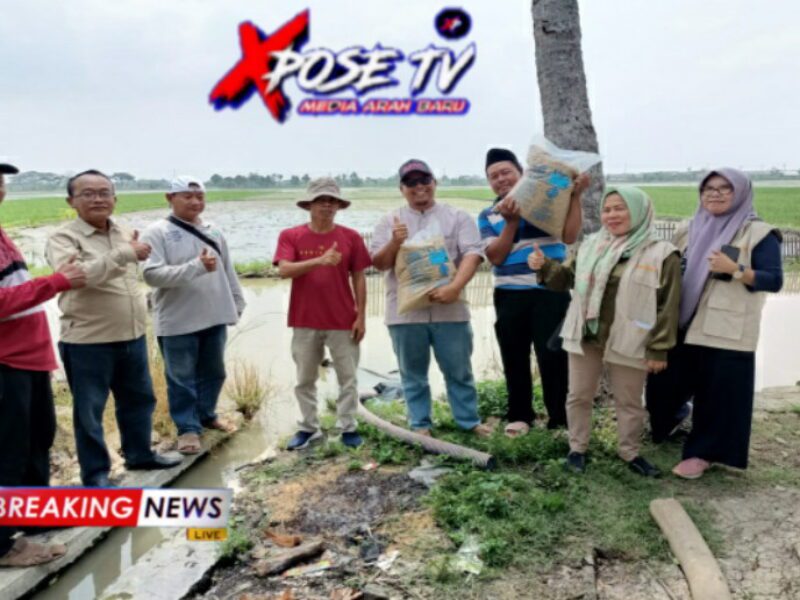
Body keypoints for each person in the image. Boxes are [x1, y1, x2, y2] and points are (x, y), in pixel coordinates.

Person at [530, 186, 681, 476]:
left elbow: (668, 305)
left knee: (629, 400)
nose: (612, 215)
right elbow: (566, 280)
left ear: (638, 210)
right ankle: (578, 448)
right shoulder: (591, 246)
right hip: (586, 333)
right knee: (578, 395)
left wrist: (659, 347)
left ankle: (629, 451)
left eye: (620, 208)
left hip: (630, 337)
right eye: (607, 209)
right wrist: (545, 266)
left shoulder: (662, 253)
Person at [46, 169, 181, 487]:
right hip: (87, 341)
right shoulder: (63, 239)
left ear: (114, 199)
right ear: (71, 201)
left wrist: (127, 251)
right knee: (89, 412)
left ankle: (139, 454)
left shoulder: (122, 231)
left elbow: (126, 272)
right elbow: (77, 276)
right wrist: (124, 253)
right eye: (88, 193)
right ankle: (96, 476)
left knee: (139, 400)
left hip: (131, 335)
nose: (98, 199)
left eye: (104, 192)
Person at [645, 169, 783, 479]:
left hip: (725, 328)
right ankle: (676, 417)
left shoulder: (759, 233)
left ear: (741, 193)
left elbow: (774, 280)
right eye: (708, 188)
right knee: (661, 386)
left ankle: (702, 453)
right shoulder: (688, 229)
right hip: (681, 322)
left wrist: (737, 270)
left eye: (725, 188)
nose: (715, 194)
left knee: (717, 395)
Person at [0, 162, 87, 567]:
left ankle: (33, 519)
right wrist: (55, 282)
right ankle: (3, 546)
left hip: (30, 359)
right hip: (5, 363)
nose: (0, 187)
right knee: (8, 452)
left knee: (38, 440)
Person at [370, 159, 491, 437]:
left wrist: (454, 287)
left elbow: (473, 254)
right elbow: (379, 263)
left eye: (424, 180)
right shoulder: (389, 222)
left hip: (451, 311)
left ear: (434, 183)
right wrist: (395, 242)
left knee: (459, 370)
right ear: (402, 189)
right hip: (405, 314)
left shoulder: (457, 217)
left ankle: (468, 421)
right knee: (412, 374)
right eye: (411, 183)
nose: (419, 187)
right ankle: (420, 424)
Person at [479, 148, 588, 436]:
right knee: (513, 354)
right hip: (509, 294)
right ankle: (519, 415)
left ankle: (560, 419)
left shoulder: (548, 203)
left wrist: (575, 196)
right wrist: (511, 223)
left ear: (522, 173)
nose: (500, 179)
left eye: (506, 172)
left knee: (553, 355)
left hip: (551, 290)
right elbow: (496, 257)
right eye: (493, 176)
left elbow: (569, 236)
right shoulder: (488, 215)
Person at [142, 176, 245, 455]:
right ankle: (188, 429)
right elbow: (151, 275)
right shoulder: (157, 232)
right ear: (169, 198)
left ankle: (207, 415)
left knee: (214, 372)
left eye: (199, 196)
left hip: (214, 316)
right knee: (181, 378)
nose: (195, 202)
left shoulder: (214, 230)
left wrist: (236, 301)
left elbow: (227, 269)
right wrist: (196, 267)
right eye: (187, 196)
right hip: (177, 321)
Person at [274, 177, 372, 450]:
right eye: (321, 200)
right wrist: (319, 260)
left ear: (339, 206)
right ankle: (308, 427)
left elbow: (360, 277)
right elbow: (283, 270)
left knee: (348, 378)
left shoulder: (350, 237)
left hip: (343, 319)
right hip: (305, 320)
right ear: (310, 205)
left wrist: (361, 316)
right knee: (305, 378)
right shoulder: (291, 236)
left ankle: (348, 426)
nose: (327, 205)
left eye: (332, 201)